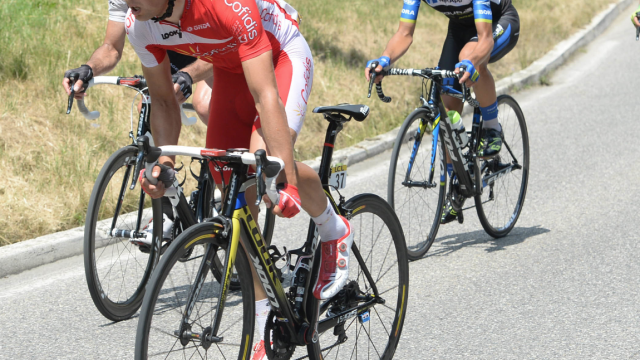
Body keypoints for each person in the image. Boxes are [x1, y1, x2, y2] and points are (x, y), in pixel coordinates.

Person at [123, 0, 353, 358]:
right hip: (231, 70)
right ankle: (262, 316)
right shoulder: (139, 23)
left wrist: (286, 181)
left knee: (268, 173)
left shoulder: (227, 4)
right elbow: (165, 102)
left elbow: (266, 96)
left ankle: (332, 228)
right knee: (231, 189)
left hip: (280, 58)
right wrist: (164, 162)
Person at [62, 0, 215, 242]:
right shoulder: (127, 4)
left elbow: (229, 42)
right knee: (153, 101)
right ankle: (166, 207)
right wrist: (89, 68)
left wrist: (189, 75)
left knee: (205, 105)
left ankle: (228, 186)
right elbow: (111, 47)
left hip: (211, 47)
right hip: (168, 47)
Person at [365, 0, 520, 224]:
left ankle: (492, 128)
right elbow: (404, 33)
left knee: (469, 57)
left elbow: (485, 39)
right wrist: (384, 60)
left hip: (498, 22)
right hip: (459, 28)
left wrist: (473, 62)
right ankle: (457, 181)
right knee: (446, 111)